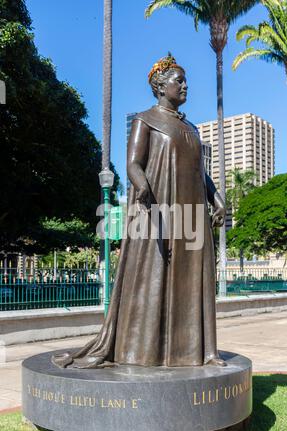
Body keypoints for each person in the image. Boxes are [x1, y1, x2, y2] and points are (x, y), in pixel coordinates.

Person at [52, 54, 226, 369]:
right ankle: (145, 351)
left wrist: (217, 199)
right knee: (155, 278)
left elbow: (201, 173)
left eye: (185, 80)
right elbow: (133, 162)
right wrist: (141, 185)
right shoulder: (145, 120)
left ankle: (204, 352)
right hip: (159, 210)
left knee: (195, 282)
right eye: (179, 81)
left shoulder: (192, 129)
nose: (185, 86)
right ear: (160, 86)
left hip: (193, 217)